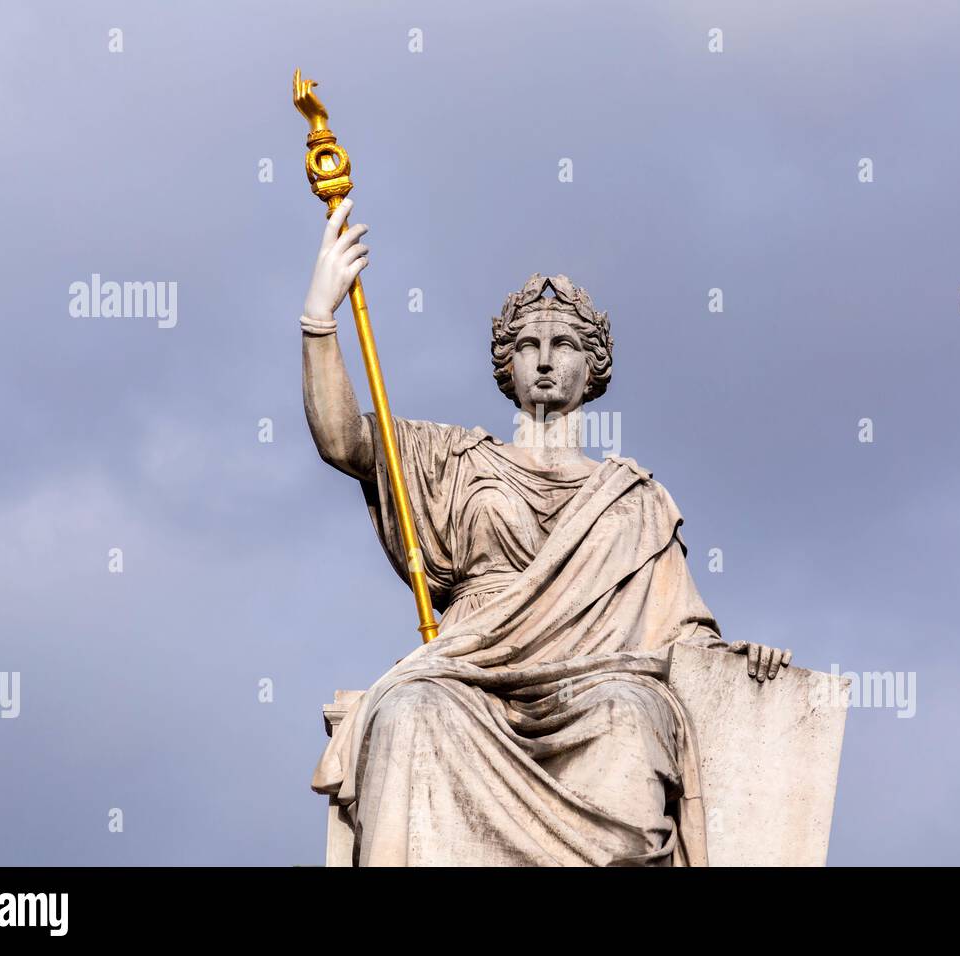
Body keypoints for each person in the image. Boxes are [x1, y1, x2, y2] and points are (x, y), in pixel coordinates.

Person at [306, 199, 792, 865]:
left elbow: (683, 637)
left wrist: (745, 659)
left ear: (593, 368)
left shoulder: (636, 499)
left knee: (631, 714)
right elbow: (343, 441)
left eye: (562, 344)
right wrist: (320, 318)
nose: (543, 360)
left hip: (598, 682)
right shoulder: (453, 458)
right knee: (411, 710)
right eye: (528, 345)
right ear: (505, 364)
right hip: (469, 673)